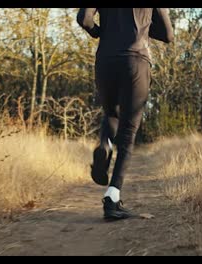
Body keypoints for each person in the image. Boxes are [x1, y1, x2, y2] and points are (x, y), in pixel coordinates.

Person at [77, 8, 174, 221]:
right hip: (136, 60)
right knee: (128, 131)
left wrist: (100, 33)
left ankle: (104, 144)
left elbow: (84, 19)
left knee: (111, 113)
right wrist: (144, 29)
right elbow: (168, 35)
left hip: (105, 60)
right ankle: (112, 198)